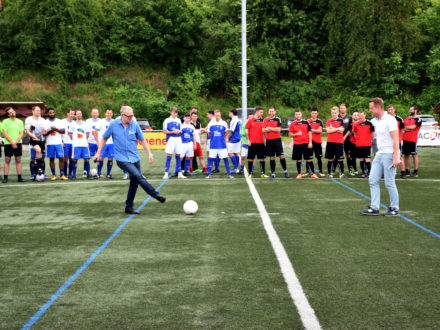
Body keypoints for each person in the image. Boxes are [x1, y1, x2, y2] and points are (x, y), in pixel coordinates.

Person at [94, 105, 166, 214]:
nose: (131, 118)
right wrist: (98, 152)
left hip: (134, 157)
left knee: (134, 183)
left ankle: (128, 207)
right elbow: (104, 138)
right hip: (122, 159)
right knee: (138, 176)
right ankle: (156, 195)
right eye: (129, 116)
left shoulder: (134, 124)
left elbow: (142, 140)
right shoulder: (113, 125)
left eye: (132, 116)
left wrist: (149, 153)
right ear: (122, 115)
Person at [361, 97, 400, 216]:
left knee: (389, 182)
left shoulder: (390, 120)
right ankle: (374, 207)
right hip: (379, 154)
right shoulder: (375, 120)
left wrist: (396, 158)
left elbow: (396, 140)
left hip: (389, 154)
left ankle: (394, 208)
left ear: (378, 108)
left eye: (371, 108)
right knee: (372, 180)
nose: (370, 110)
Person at [289, 110, 318, 179]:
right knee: (298, 160)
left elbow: (310, 133)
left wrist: (310, 142)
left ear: (301, 114)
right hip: (297, 144)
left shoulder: (306, 122)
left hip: (306, 144)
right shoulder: (292, 124)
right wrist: (296, 134)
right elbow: (290, 135)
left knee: (309, 159)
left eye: (299, 114)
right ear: (295, 115)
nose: (298, 115)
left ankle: (313, 174)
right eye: (296, 114)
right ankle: (299, 174)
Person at [205, 110, 234, 179]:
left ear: (220, 115)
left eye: (218, 115)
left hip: (222, 145)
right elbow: (209, 133)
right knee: (211, 159)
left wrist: (224, 140)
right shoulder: (211, 123)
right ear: (214, 116)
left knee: (225, 159)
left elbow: (226, 132)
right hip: (213, 145)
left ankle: (229, 174)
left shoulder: (224, 123)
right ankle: (209, 174)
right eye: (216, 115)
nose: (217, 116)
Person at [263, 106, 289, 178]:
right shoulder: (265, 120)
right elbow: (263, 130)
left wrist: (269, 128)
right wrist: (273, 129)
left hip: (277, 140)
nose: (271, 112)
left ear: (275, 112)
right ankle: (273, 173)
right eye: (270, 111)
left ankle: (285, 171)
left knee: (281, 156)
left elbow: (278, 130)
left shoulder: (278, 119)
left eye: (272, 111)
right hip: (269, 140)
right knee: (272, 157)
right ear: (268, 112)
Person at [2, 107, 25, 183]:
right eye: (10, 112)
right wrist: (12, 142)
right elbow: (4, 133)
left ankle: (19, 177)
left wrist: (16, 142)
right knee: (7, 160)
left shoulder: (20, 122)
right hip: (8, 144)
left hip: (18, 143)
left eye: (13, 111)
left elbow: (21, 133)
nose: (13, 112)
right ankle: (5, 177)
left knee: (18, 160)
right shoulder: (5, 122)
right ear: (8, 114)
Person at [43, 108, 67, 180]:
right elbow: (44, 133)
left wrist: (56, 129)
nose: (52, 114)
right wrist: (50, 131)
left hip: (58, 143)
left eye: (53, 112)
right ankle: (53, 175)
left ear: (54, 113)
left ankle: (62, 175)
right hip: (50, 143)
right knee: (51, 159)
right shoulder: (45, 122)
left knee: (61, 158)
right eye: (50, 113)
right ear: (48, 113)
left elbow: (63, 131)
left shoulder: (59, 121)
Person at [162, 107, 186, 179]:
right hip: (171, 139)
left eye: (176, 113)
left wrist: (179, 131)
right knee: (169, 155)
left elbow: (181, 130)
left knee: (178, 156)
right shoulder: (167, 120)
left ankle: (179, 173)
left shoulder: (179, 120)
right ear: (171, 113)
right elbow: (164, 131)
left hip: (178, 139)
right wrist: (173, 132)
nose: (175, 114)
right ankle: (166, 173)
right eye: (173, 112)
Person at [68, 110, 92, 180]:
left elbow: (87, 134)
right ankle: (74, 175)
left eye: (80, 114)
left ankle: (88, 175)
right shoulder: (72, 124)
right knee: (75, 159)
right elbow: (70, 134)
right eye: (77, 114)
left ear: (81, 115)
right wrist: (75, 140)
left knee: (87, 159)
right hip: (76, 145)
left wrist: (84, 140)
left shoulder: (85, 124)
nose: (79, 115)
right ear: (75, 115)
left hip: (84, 145)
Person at [245, 106, 268, 178]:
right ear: (257, 112)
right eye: (261, 112)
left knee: (262, 158)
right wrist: (248, 139)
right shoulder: (250, 120)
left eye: (262, 112)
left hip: (261, 142)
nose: (262, 113)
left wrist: (266, 139)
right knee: (251, 158)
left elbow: (264, 131)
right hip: (252, 142)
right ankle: (250, 173)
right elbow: (246, 130)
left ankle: (263, 173)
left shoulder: (263, 120)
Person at [25, 106, 46, 179]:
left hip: (41, 140)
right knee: (34, 156)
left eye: (39, 110)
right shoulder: (28, 119)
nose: (39, 112)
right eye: (37, 110)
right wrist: (34, 137)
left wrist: (45, 132)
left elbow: (44, 131)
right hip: (33, 140)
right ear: (33, 111)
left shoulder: (43, 120)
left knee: (42, 158)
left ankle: (42, 174)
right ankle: (33, 174)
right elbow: (27, 132)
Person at [401, 105, 422, 178]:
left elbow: (413, 127)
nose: (410, 111)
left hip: (412, 140)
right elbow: (403, 128)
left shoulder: (418, 119)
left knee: (414, 155)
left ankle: (415, 171)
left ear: (415, 110)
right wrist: (407, 128)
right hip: (405, 139)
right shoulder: (407, 118)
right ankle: (407, 171)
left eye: (411, 110)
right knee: (406, 155)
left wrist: (407, 128)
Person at [325, 106, 345, 178]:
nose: (334, 114)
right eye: (332, 113)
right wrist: (337, 129)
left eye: (335, 113)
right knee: (330, 158)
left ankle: (341, 174)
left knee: (340, 158)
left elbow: (341, 131)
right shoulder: (328, 121)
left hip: (339, 142)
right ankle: (329, 174)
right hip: (330, 142)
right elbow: (328, 131)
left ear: (338, 113)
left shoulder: (341, 120)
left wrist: (333, 128)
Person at [353, 110, 374, 178]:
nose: (361, 117)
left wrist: (368, 139)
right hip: (359, 144)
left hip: (367, 144)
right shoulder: (356, 124)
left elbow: (372, 133)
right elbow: (355, 133)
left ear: (364, 115)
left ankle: (368, 173)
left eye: (362, 115)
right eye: (359, 115)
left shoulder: (369, 123)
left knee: (367, 158)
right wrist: (358, 139)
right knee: (361, 159)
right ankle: (363, 172)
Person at [94, 109, 114, 179]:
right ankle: (98, 174)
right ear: (105, 113)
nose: (109, 114)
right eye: (108, 113)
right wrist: (97, 141)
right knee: (101, 158)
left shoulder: (114, 122)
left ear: (112, 114)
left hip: (112, 143)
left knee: (110, 158)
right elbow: (95, 131)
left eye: (110, 113)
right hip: (103, 143)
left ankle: (108, 174)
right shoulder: (101, 121)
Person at [387, 104, 405, 178]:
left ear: (394, 109)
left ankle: (403, 172)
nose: (390, 111)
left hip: (397, 141)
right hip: (388, 142)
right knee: (387, 156)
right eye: (389, 110)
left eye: (391, 109)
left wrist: (398, 138)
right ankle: (386, 173)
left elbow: (402, 130)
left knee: (399, 156)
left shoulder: (399, 119)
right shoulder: (386, 118)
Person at [308, 108, 325, 176]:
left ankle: (320, 170)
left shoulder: (320, 121)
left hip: (317, 142)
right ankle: (307, 170)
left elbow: (320, 131)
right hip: (309, 142)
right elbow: (307, 132)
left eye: (315, 113)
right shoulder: (307, 121)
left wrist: (312, 130)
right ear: (311, 113)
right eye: (313, 113)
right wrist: (315, 130)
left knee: (319, 157)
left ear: (317, 113)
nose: (314, 114)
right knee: (309, 157)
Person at [85, 108, 101, 177]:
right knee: (87, 157)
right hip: (90, 142)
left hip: (98, 143)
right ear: (91, 113)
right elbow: (85, 132)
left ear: (98, 113)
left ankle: (99, 172)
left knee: (99, 157)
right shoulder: (88, 121)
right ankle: (85, 171)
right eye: (93, 113)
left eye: (96, 113)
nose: (95, 114)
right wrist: (86, 142)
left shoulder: (101, 121)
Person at [340, 104, 354, 175]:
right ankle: (334, 170)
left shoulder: (349, 117)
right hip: (338, 139)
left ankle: (350, 170)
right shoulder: (337, 117)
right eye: (341, 108)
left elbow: (350, 129)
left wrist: (345, 136)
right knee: (338, 155)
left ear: (345, 109)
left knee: (348, 154)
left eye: (343, 108)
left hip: (347, 139)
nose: (342, 109)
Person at [227, 109, 242, 174]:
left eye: (229, 113)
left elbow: (231, 131)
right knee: (236, 153)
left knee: (230, 153)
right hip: (238, 138)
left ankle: (235, 168)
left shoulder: (234, 120)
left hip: (234, 139)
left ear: (231, 113)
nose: (229, 114)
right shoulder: (238, 120)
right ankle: (236, 168)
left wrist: (228, 138)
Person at [62, 109, 76, 178]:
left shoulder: (75, 123)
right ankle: (65, 173)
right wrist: (61, 141)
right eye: (71, 113)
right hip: (65, 143)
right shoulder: (62, 122)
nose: (72, 115)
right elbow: (60, 132)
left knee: (72, 158)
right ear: (67, 114)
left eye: (73, 114)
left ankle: (70, 173)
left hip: (73, 143)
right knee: (65, 158)